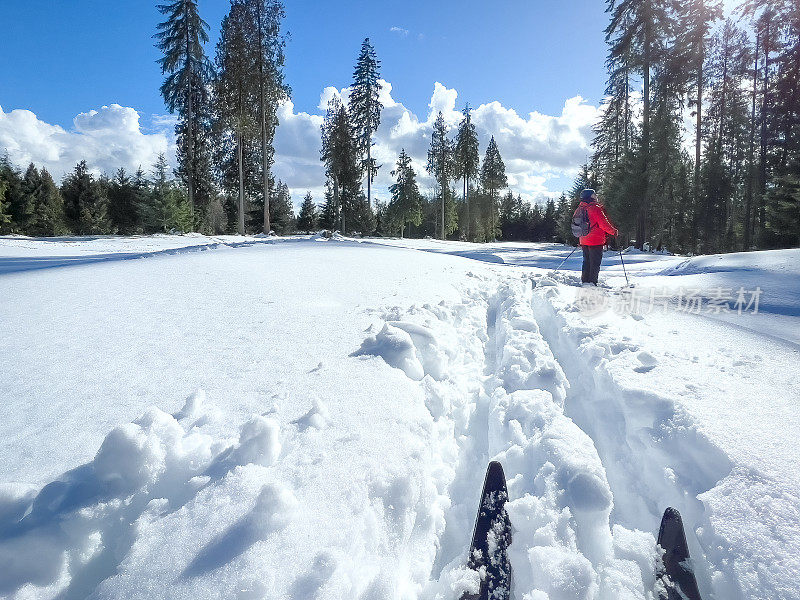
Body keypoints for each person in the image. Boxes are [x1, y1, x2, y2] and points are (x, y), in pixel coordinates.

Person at [576, 189, 618, 285]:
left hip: (583, 239)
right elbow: (603, 224)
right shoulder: (595, 208)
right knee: (595, 263)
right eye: (594, 195)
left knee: (586, 261)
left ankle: (585, 281)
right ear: (591, 196)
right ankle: (592, 283)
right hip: (595, 240)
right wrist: (613, 232)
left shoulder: (580, 208)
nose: (596, 196)